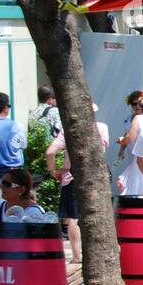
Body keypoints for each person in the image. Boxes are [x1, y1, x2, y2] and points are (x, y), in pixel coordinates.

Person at [45, 103, 110, 265]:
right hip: (96, 177)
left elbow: (50, 152)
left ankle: (77, 256)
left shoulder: (68, 131)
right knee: (98, 214)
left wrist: (54, 170)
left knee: (73, 217)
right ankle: (98, 254)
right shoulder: (102, 128)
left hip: (72, 176)